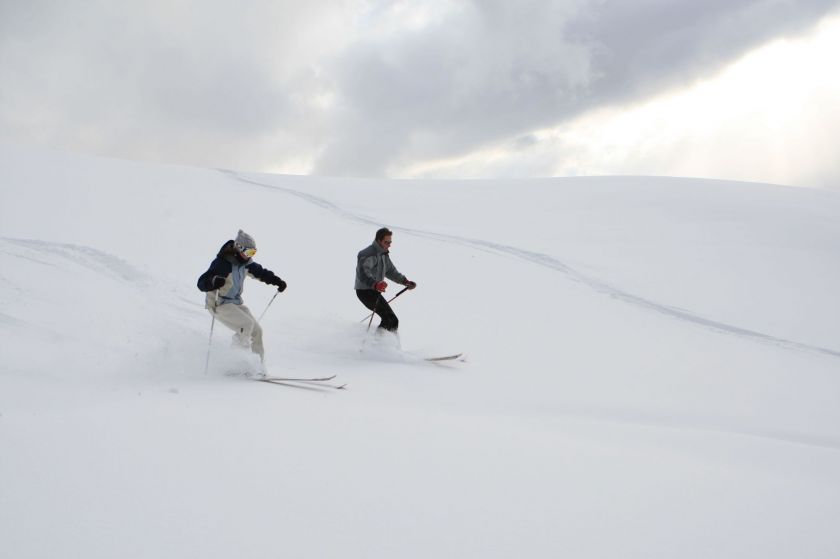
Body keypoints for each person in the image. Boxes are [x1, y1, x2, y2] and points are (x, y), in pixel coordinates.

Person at [197, 229, 287, 364]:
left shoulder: (246, 264)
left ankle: (258, 367)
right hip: (219, 304)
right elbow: (201, 283)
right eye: (248, 252)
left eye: (253, 253)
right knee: (246, 325)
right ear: (239, 248)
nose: (250, 256)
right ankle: (235, 363)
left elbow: (261, 273)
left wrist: (277, 281)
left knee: (257, 331)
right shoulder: (222, 263)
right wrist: (214, 281)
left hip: (235, 303)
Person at [355, 227, 416, 332]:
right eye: (386, 242)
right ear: (379, 240)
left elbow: (391, 271)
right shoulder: (368, 254)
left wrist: (405, 281)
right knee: (388, 319)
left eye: (390, 242)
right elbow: (363, 273)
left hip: (374, 291)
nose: (389, 245)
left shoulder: (383, 254)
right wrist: (375, 284)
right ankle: (376, 345)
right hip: (365, 291)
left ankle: (388, 346)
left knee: (393, 321)